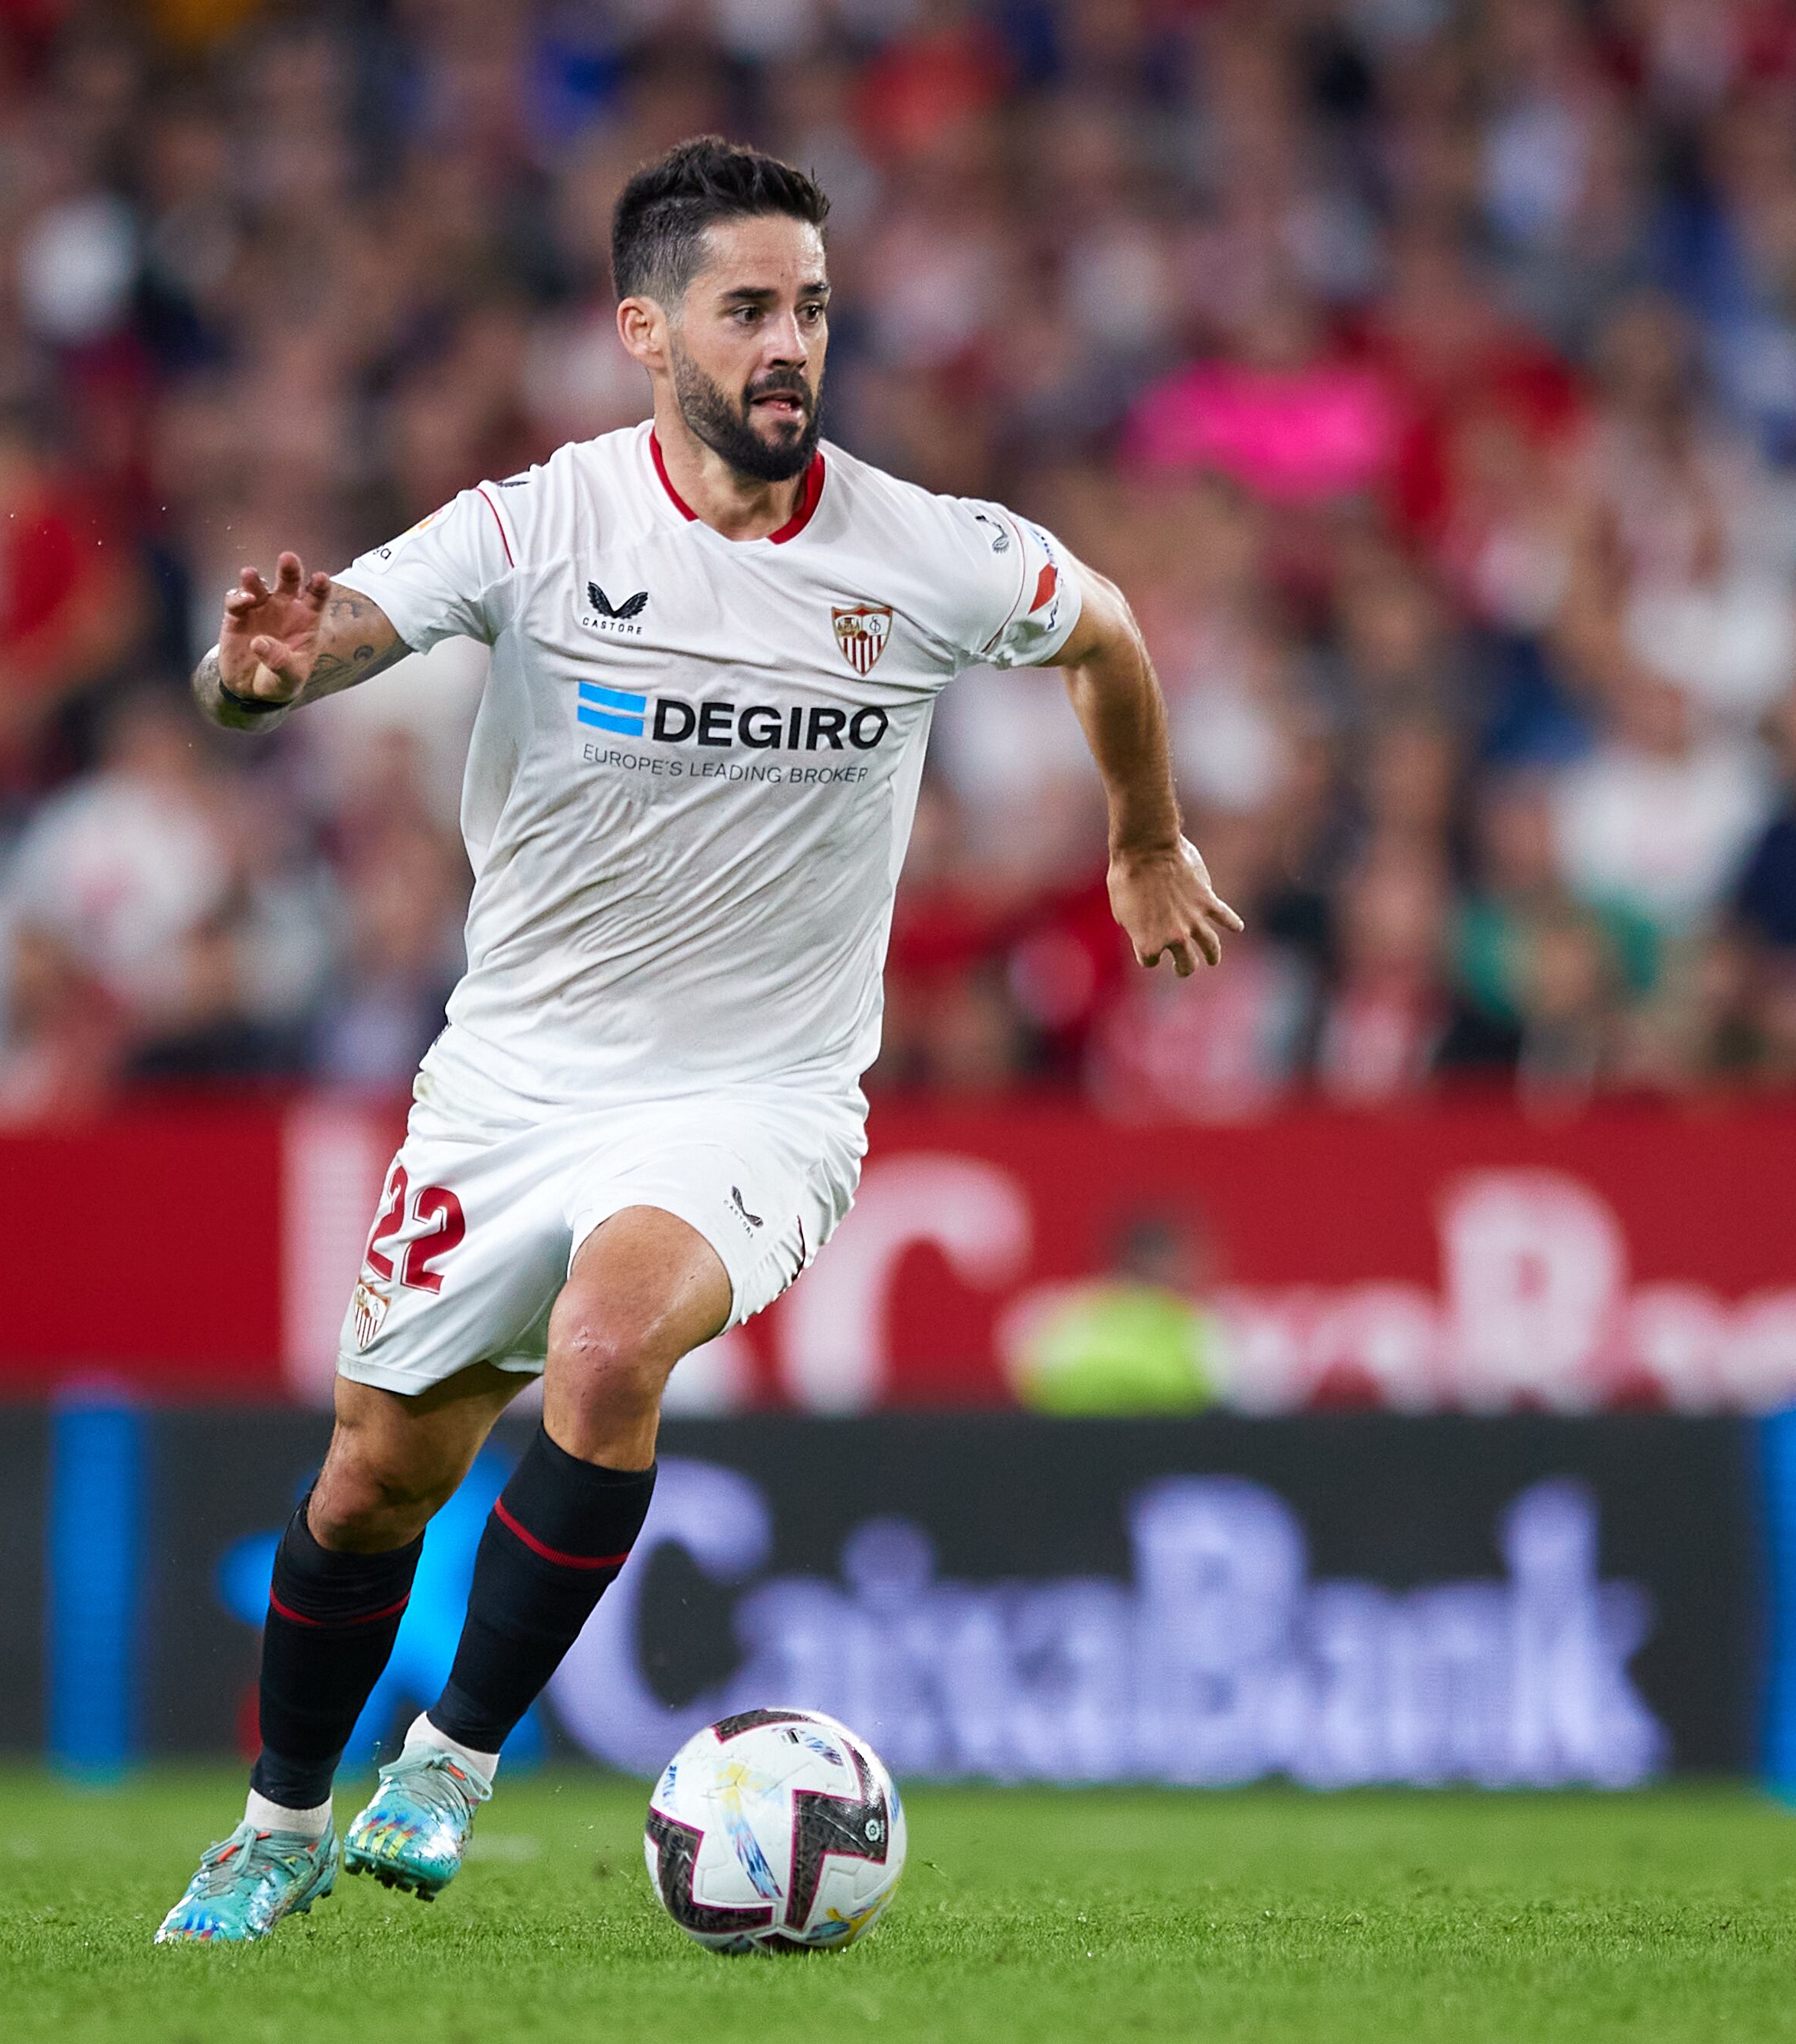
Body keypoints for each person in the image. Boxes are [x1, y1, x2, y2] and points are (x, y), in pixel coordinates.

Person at [154, 137, 1236, 1944]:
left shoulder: (918, 552)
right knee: (372, 1481)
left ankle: (451, 1759)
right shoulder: (541, 519)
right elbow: (330, 631)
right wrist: (248, 672)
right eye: (746, 310)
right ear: (644, 331)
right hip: (509, 1080)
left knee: (603, 1343)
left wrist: (1142, 836)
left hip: (756, 1092)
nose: (787, 343)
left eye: (808, 305)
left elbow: (1105, 628)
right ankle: (273, 1818)